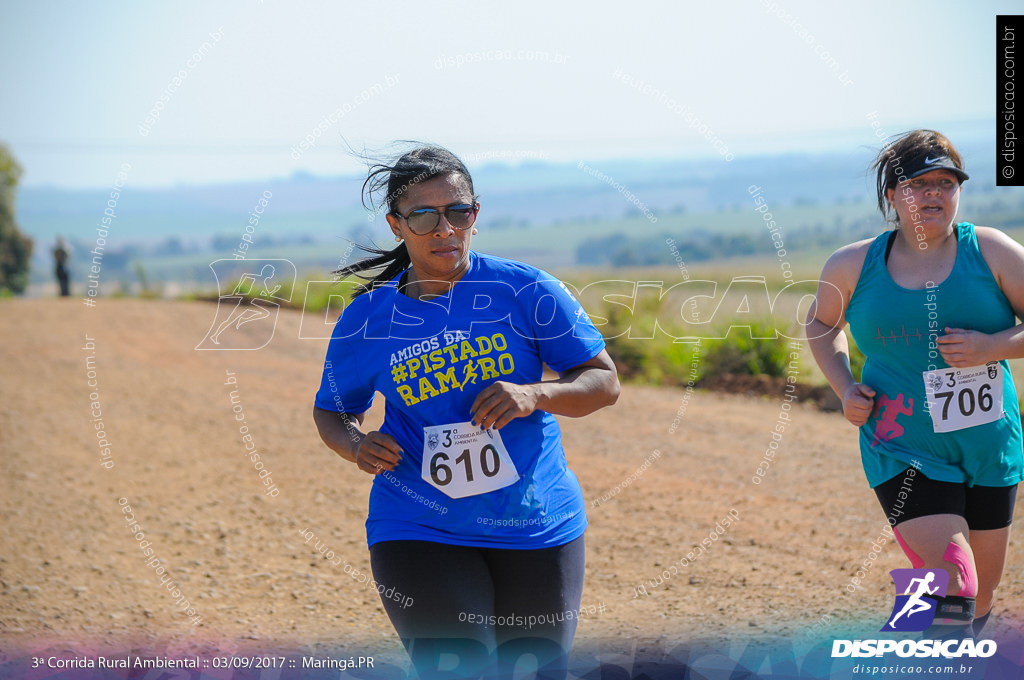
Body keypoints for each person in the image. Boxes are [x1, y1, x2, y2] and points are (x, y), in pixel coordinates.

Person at [312, 145, 619, 679]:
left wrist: (535, 394)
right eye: (424, 215)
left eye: (458, 211)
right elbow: (332, 412)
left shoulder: (525, 289)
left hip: (535, 522)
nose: (445, 228)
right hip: (417, 524)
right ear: (396, 224)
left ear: (475, 215)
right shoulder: (369, 317)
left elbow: (604, 381)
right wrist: (356, 445)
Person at [806, 130, 1024, 639]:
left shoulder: (990, 250)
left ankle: (912, 650)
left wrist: (992, 347)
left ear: (958, 193)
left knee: (982, 592)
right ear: (891, 196)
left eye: (945, 183)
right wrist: (843, 387)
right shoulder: (852, 264)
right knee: (956, 576)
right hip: (900, 445)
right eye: (917, 183)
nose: (932, 194)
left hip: (990, 446)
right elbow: (820, 325)